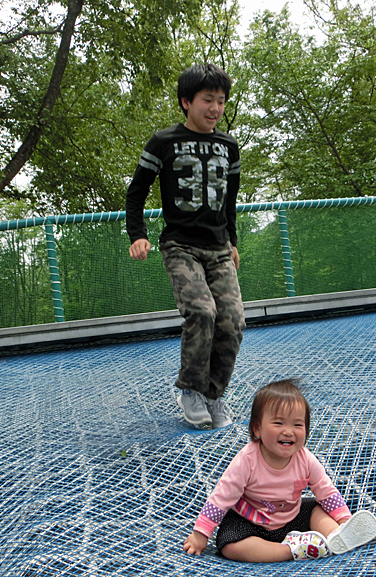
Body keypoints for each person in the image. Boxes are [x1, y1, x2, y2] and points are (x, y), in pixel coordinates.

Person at [125, 63, 245, 429]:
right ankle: (190, 389)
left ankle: (213, 394)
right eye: (208, 100)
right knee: (202, 312)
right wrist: (138, 234)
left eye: (221, 101)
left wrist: (233, 241)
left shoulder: (229, 146)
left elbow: (230, 201)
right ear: (186, 102)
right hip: (180, 245)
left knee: (233, 321)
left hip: (220, 247)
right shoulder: (163, 142)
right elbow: (137, 191)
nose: (216, 108)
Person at [183, 379, 376, 562]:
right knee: (230, 545)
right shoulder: (247, 460)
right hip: (250, 522)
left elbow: (326, 491)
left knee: (317, 509)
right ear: (257, 428)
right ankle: (291, 550)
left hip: (291, 517)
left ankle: (339, 535)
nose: (288, 431)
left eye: (297, 424)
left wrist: (345, 519)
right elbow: (221, 497)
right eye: (278, 423)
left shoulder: (305, 459)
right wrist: (201, 534)